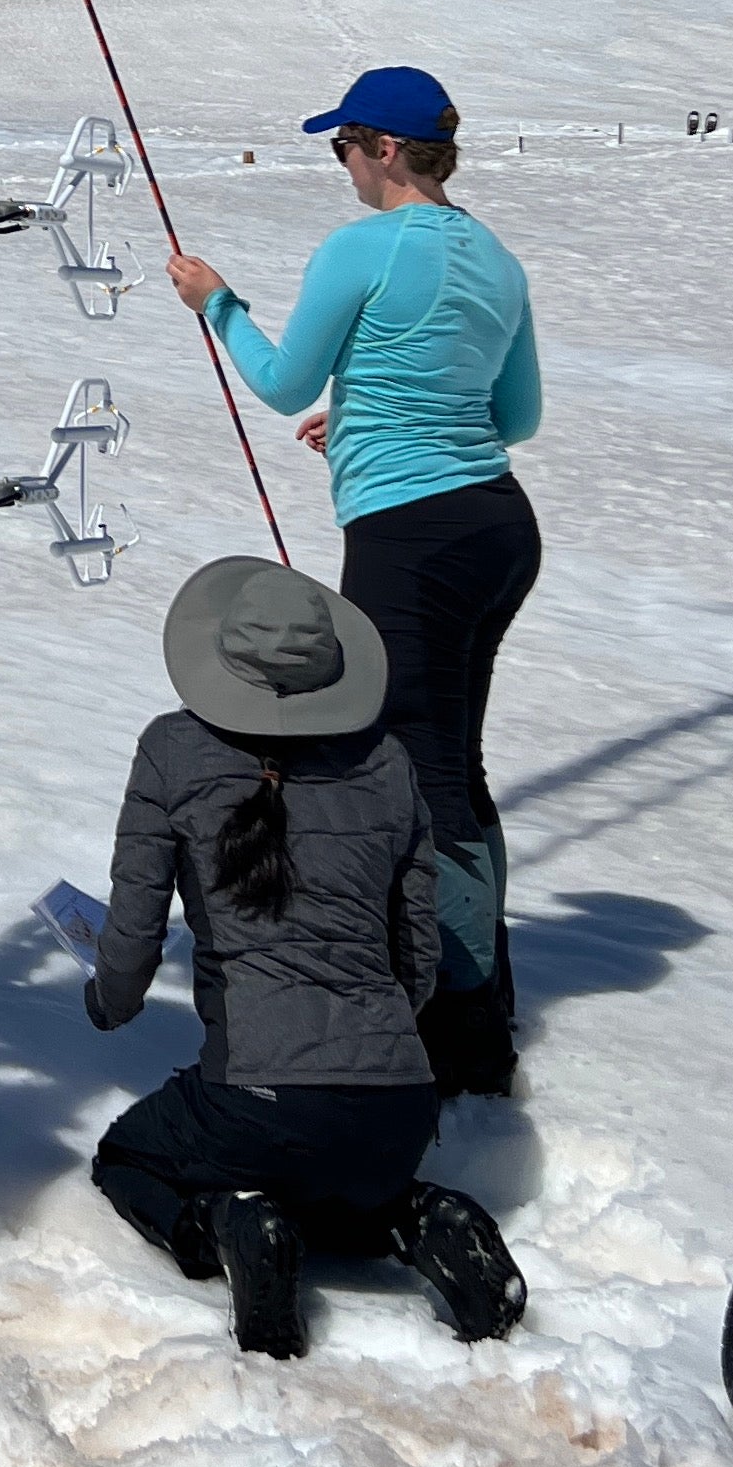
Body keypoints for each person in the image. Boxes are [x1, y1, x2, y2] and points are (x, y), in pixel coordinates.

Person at [165, 66, 542, 1098]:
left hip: (410, 538)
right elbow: (514, 417)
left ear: (381, 147)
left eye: (340, 143)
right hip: (497, 527)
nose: (337, 160)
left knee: (416, 776)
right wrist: (375, 413)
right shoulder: (494, 258)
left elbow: (284, 376)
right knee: (451, 756)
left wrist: (216, 303)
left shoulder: (362, 248)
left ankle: (464, 1027)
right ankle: (471, 992)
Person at [88, 557, 526, 1359]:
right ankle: (413, 1216)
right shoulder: (385, 761)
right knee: (336, 1170)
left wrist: (107, 1004)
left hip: (254, 1096)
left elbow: (133, 938)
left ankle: (228, 1222)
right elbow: (417, 958)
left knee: (129, 1156)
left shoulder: (171, 752)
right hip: (397, 1105)